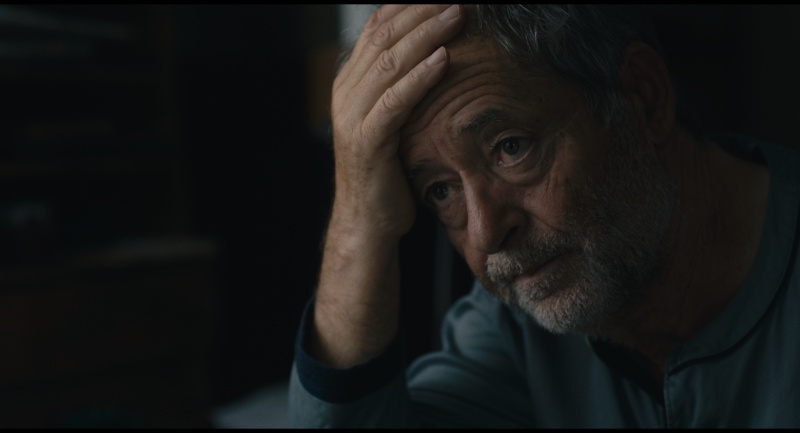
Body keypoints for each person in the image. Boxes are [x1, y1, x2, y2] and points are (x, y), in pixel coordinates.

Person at [287, 4, 800, 427]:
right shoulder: (518, 325)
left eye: (511, 147)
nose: (487, 233)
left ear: (644, 98)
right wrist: (358, 220)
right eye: (441, 190)